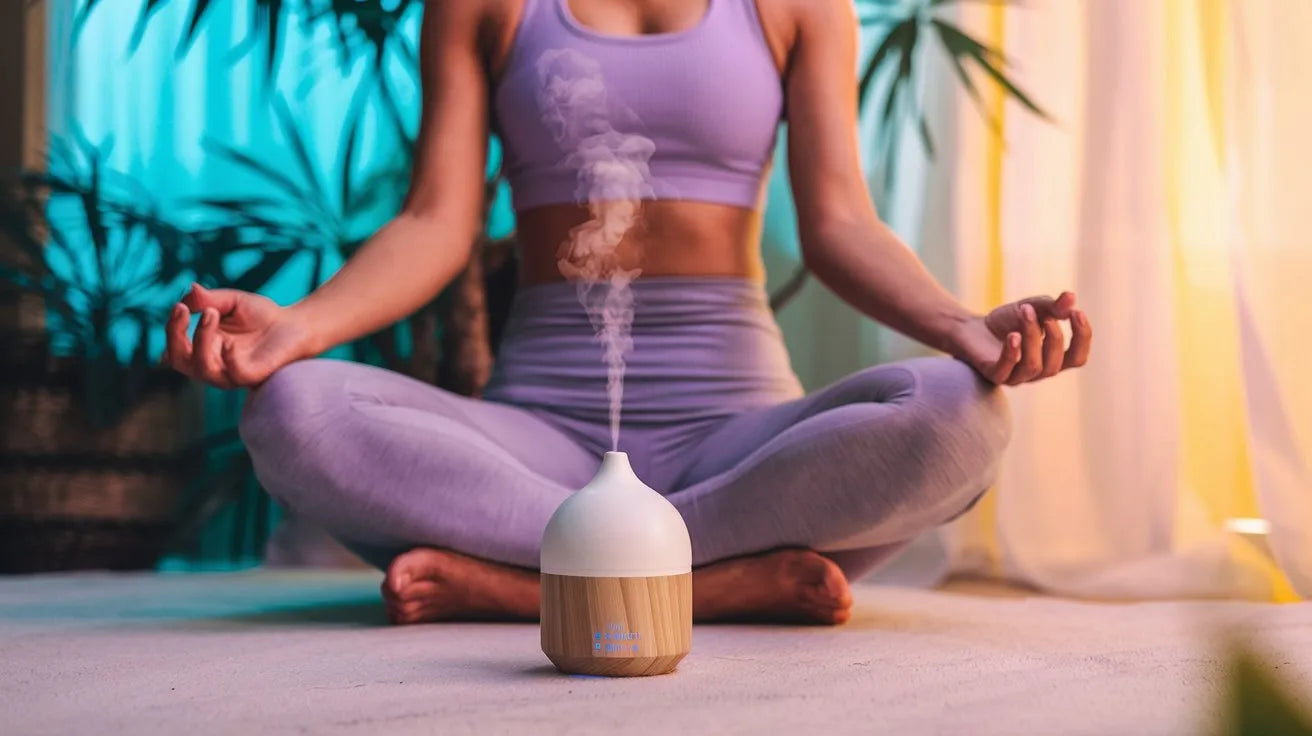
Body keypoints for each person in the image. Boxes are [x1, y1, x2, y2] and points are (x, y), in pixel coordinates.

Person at [163, 0, 1091, 626]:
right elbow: (434, 221)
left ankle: (531, 586)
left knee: (962, 417)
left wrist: (961, 327)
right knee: (292, 411)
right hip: (540, 439)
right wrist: (300, 328)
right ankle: (718, 585)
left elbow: (841, 223)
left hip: (737, 442)